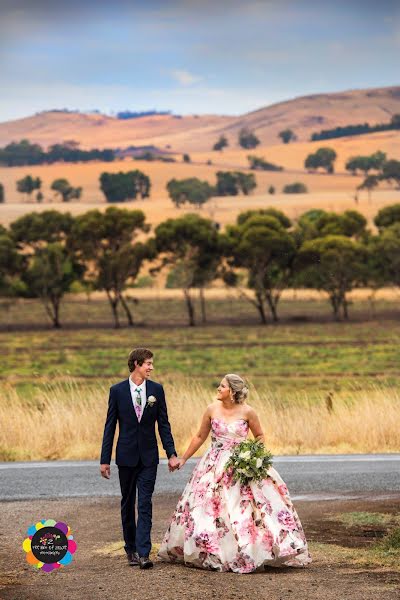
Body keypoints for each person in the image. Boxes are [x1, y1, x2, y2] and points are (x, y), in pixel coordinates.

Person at [158, 374, 312, 573]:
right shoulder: (211, 409)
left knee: (247, 508)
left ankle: (251, 549)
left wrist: (252, 456)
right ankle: (213, 550)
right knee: (209, 507)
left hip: (241, 463)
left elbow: (260, 436)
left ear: (232, 391)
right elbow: (199, 436)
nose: (218, 388)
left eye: (222, 386)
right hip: (213, 464)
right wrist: (183, 458)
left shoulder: (248, 412)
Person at [100, 347, 179, 569]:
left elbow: (164, 424)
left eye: (152, 364)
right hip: (125, 457)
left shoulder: (157, 390)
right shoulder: (116, 391)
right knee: (128, 503)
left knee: (145, 503)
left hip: (148, 458)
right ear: (137, 364)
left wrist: (171, 453)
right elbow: (110, 426)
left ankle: (144, 553)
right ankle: (131, 549)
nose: (151, 368)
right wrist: (104, 459)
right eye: (148, 364)